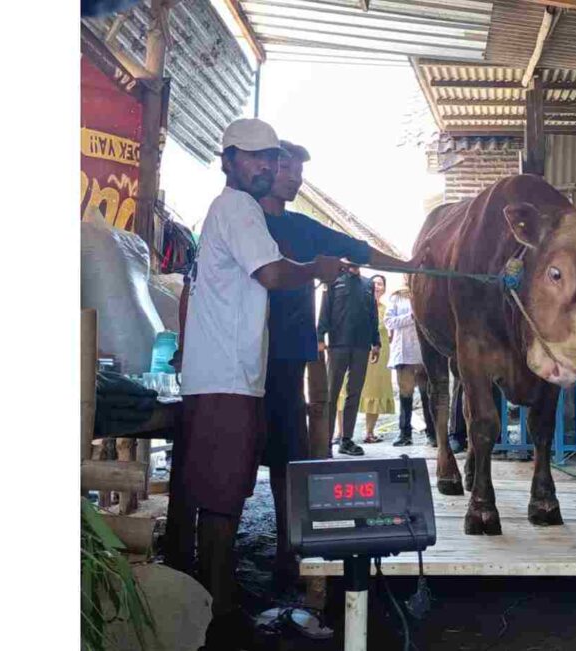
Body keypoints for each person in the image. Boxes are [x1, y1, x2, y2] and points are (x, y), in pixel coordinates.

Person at [177, 118, 343, 648]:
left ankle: (213, 597)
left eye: (270, 158)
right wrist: (317, 268)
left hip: (225, 370)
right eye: (252, 157)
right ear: (227, 160)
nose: (264, 166)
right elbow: (272, 274)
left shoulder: (228, 210)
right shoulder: (239, 209)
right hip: (227, 374)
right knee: (224, 497)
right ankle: (219, 612)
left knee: (220, 491)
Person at [254, 141, 420, 593]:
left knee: (289, 453)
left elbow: (358, 249)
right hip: (240, 358)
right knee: (234, 461)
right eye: (286, 167)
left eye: (299, 171)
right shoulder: (239, 218)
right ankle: (214, 570)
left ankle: (288, 555)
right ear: (263, 166)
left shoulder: (302, 228)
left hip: (287, 354)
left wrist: (409, 265)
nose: (294, 177)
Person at [319, 265, 380, 456]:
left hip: (361, 346)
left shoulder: (368, 284)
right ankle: (325, 441)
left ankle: (346, 440)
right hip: (338, 345)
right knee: (331, 393)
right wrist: (320, 337)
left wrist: (376, 341)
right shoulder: (333, 281)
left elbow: (373, 315)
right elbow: (325, 310)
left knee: (354, 393)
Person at [336, 274, 395, 444]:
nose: (377, 286)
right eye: (374, 283)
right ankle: (341, 433)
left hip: (379, 357)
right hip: (357, 351)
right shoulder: (359, 304)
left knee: (375, 392)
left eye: (381, 284)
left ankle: (369, 432)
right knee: (344, 390)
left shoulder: (387, 309)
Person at [384, 280, 433, 447]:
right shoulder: (397, 297)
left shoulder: (425, 291)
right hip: (404, 351)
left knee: (427, 393)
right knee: (406, 394)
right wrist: (411, 317)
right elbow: (389, 321)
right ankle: (405, 433)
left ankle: (432, 433)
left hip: (422, 351)